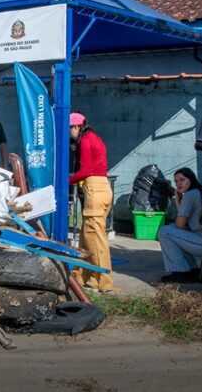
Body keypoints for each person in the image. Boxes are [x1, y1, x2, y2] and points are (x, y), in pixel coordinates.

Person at [69, 112, 114, 292]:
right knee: (87, 236)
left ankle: (105, 281)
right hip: (100, 188)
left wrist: (67, 179)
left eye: (70, 129)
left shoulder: (86, 140)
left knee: (96, 238)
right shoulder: (94, 138)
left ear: (76, 127)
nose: (69, 134)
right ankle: (87, 278)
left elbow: (86, 169)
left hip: (95, 189)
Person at [158, 168, 202, 283]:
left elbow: (180, 224)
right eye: (176, 181)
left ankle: (181, 272)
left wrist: (178, 202)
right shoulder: (201, 193)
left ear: (191, 180)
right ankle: (192, 270)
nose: (178, 184)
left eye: (182, 180)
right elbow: (184, 226)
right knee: (172, 229)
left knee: (165, 231)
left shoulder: (190, 195)